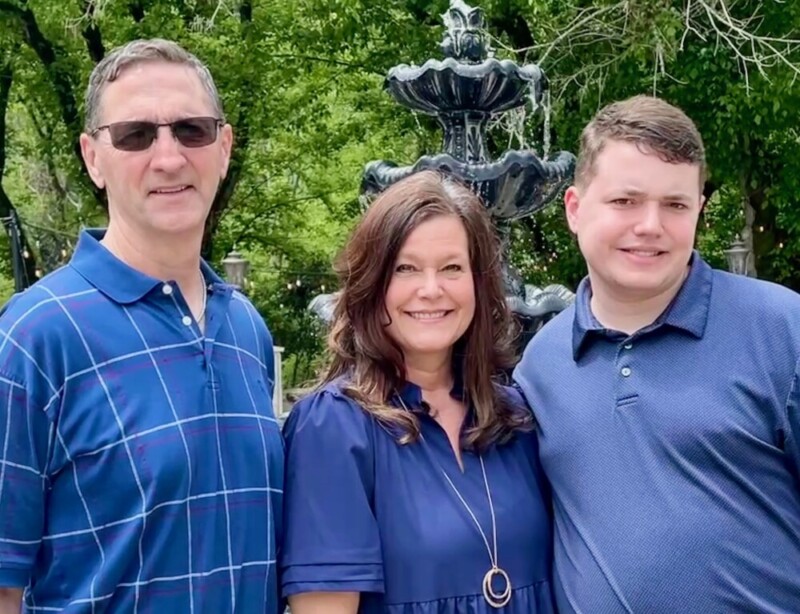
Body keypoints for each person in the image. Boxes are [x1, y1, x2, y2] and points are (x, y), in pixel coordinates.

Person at [0, 39, 283, 613]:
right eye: (135, 135)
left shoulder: (245, 330)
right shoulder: (35, 337)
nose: (169, 157)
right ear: (93, 158)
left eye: (192, 130)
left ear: (224, 148)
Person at [514, 95, 800, 613]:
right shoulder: (540, 366)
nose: (650, 225)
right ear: (575, 209)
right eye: (626, 201)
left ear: (698, 211)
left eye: (675, 205)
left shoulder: (782, 330)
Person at [280, 170, 555, 613]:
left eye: (452, 268)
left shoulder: (515, 418)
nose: (431, 290)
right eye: (406, 268)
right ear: (373, 284)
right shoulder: (334, 428)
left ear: (479, 283)